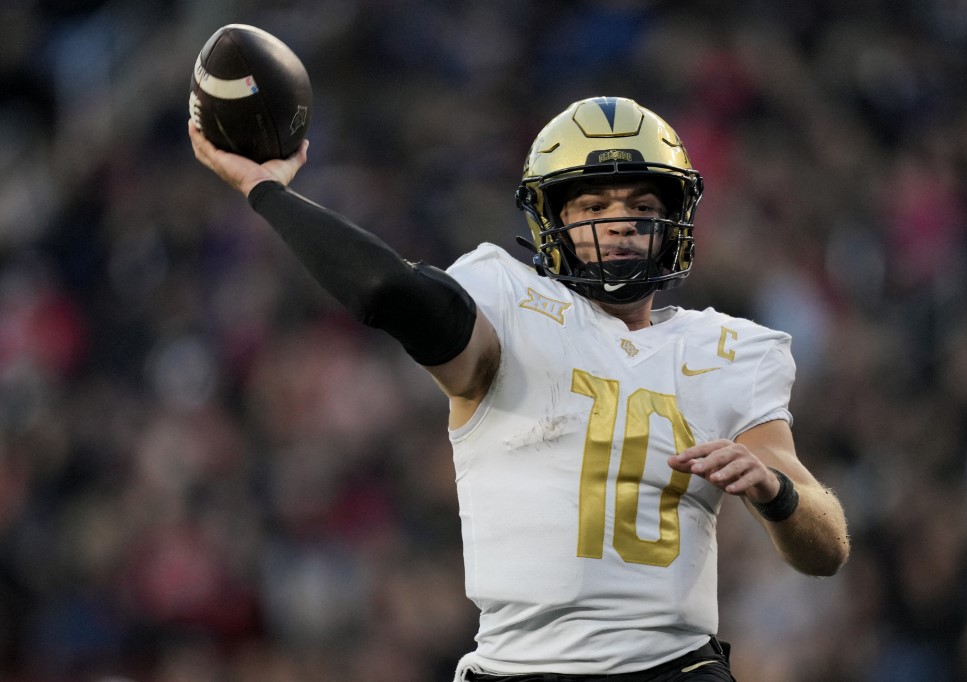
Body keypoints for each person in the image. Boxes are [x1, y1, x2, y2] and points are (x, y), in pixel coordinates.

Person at [189, 95, 850, 682]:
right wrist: (269, 191)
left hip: (670, 667)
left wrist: (777, 493)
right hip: (518, 668)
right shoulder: (507, 297)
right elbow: (388, 291)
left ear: (674, 219)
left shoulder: (731, 351)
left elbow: (825, 549)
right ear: (550, 221)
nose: (620, 222)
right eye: (593, 205)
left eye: (643, 206)